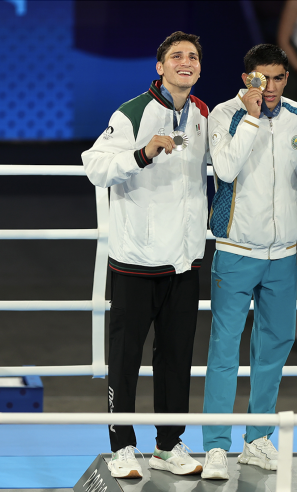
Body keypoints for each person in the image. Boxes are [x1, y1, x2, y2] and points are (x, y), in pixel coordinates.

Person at [82, 31, 208, 479]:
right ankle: (122, 448)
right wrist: (143, 153)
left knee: (176, 359)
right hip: (136, 261)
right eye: (176, 56)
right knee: (125, 358)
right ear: (160, 67)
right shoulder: (133, 111)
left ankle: (169, 445)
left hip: (185, 261)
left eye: (192, 56)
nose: (185, 62)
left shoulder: (202, 113)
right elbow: (95, 165)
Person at [201, 44, 297, 480]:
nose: (270, 87)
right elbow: (225, 169)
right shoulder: (223, 114)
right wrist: (248, 115)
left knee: (273, 350)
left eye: (279, 78)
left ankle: (258, 439)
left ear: (286, 79)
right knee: (224, 351)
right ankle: (214, 446)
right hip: (235, 250)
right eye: (262, 79)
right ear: (248, 78)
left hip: (283, 254)